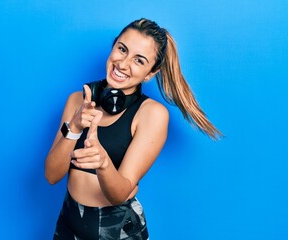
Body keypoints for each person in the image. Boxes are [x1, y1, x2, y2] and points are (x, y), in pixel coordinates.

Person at [45, 18, 222, 240]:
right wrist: (74, 127)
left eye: (139, 61)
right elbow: (51, 175)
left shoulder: (152, 114)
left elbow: (119, 194)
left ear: (150, 73)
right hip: (68, 224)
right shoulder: (76, 100)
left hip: (119, 231)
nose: (123, 64)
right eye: (122, 49)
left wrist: (104, 162)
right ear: (113, 46)